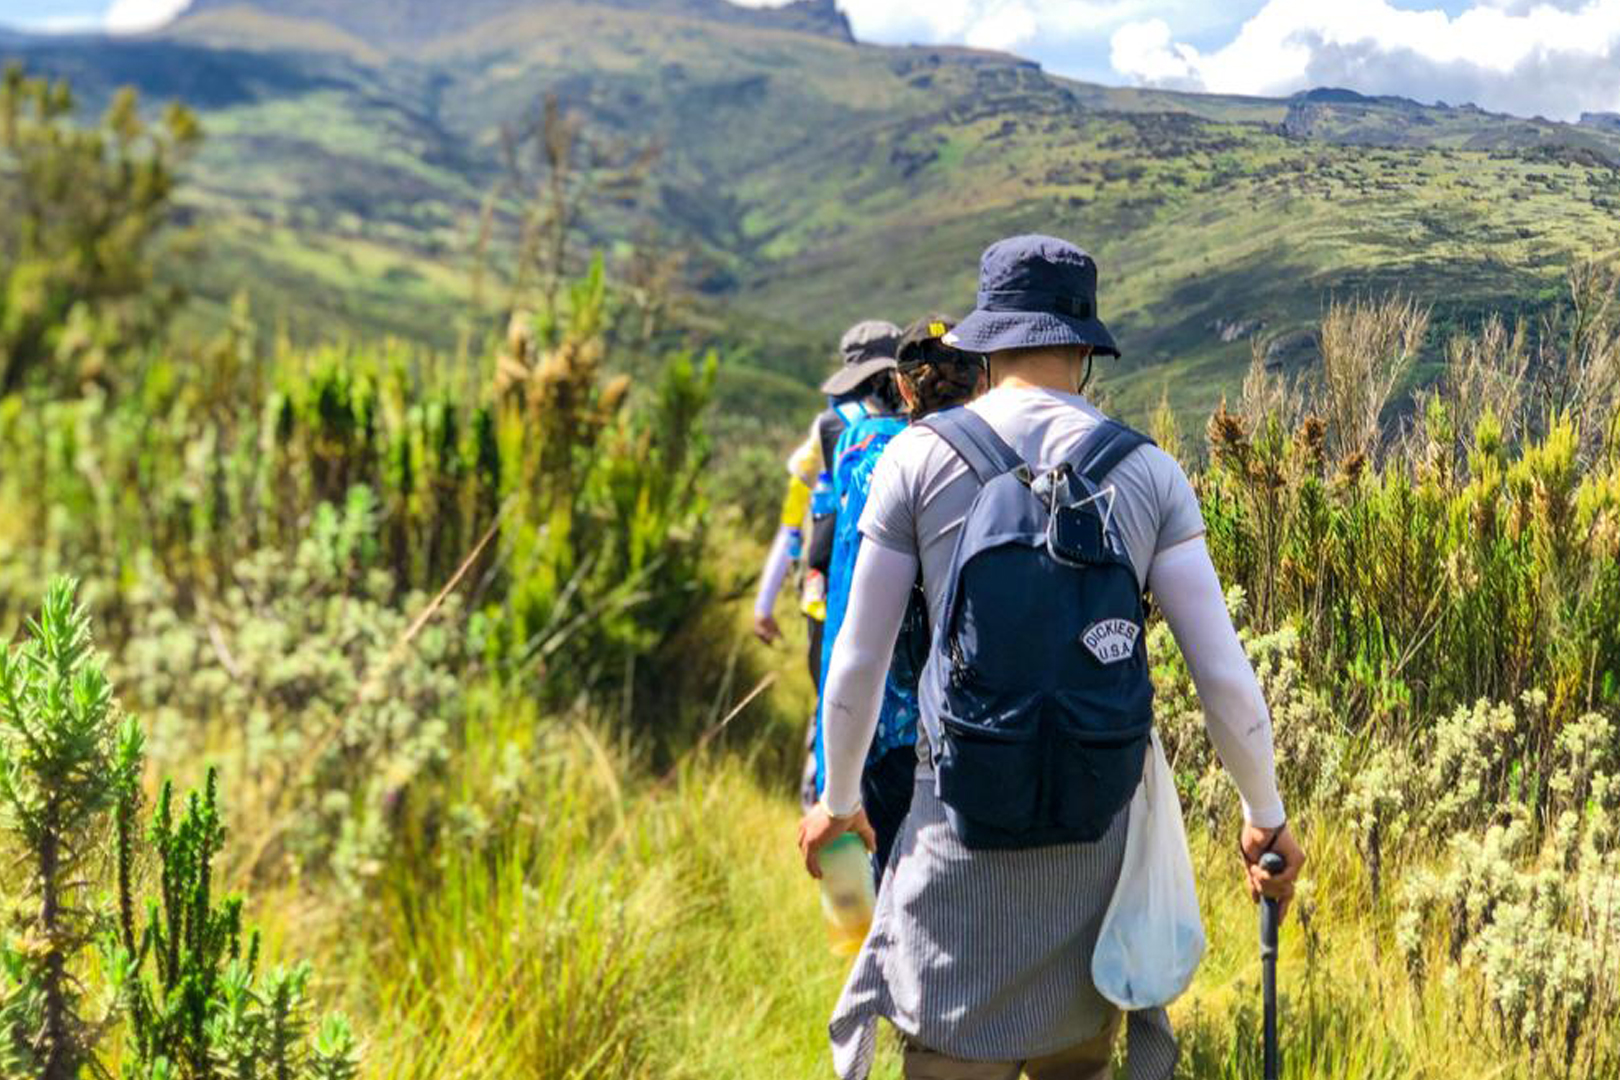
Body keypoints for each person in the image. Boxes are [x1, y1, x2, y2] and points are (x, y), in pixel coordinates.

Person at [797, 236, 1305, 1080]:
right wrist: (1266, 816)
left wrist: (842, 800)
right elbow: (1224, 676)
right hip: (1094, 859)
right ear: (1084, 349)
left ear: (987, 342)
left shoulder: (916, 459)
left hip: (952, 845)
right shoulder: (1148, 472)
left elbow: (858, 655)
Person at [810, 316, 988, 875]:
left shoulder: (867, 461)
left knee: (893, 892)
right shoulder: (1018, 462)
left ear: (904, 386)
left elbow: (848, 611)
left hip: (889, 728)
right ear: (982, 381)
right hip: (988, 720)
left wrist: (832, 785)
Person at [753, 320, 904, 807]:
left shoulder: (827, 428)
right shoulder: (915, 424)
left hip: (823, 601)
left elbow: (792, 525)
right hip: (897, 593)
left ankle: (825, 797)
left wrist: (764, 603)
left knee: (831, 703)